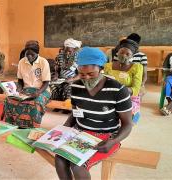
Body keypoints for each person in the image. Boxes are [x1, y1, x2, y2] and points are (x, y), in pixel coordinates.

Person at [55, 47, 133, 180]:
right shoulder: (76, 87)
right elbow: (76, 113)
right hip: (80, 133)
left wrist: (113, 141)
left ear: (101, 69)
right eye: (82, 74)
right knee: (60, 159)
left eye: (91, 74)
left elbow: (127, 124)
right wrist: (63, 130)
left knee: (77, 165)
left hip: (106, 137)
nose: (86, 78)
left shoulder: (118, 90)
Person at [3, 40, 51, 128]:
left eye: (32, 54)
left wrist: (38, 93)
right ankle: (14, 125)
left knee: (36, 103)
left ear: (37, 53)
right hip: (27, 89)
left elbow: (46, 82)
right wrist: (19, 88)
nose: (29, 57)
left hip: (42, 90)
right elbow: (20, 80)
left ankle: (32, 128)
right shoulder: (22, 62)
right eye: (27, 54)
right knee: (9, 100)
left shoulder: (43, 62)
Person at [104, 39, 143, 123]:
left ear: (132, 56)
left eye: (127, 54)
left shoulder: (137, 67)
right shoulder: (108, 66)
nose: (124, 55)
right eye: (121, 52)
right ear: (117, 52)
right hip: (109, 95)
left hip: (128, 97)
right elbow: (103, 82)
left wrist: (119, 90)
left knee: (127, 115)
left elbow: (136, 89)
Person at [160, 38, 172, 116]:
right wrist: (164, 76)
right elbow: (164, 68)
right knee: (167, 82)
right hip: (171, 75)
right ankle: (170, 105)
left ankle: (169, 107)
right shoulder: (170, 55)